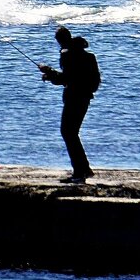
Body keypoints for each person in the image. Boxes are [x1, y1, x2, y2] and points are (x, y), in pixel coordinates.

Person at [39, 26, 101, 183]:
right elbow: (77, 78)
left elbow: (65, 79)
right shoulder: (88, 56)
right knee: (71, 132)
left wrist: (49, 72)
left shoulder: (68, 55)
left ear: (59, 41)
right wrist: (52, 75)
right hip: (85, 98)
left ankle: (81, 171)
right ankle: (83, 169)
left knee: (68, 132)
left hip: (74, 98)